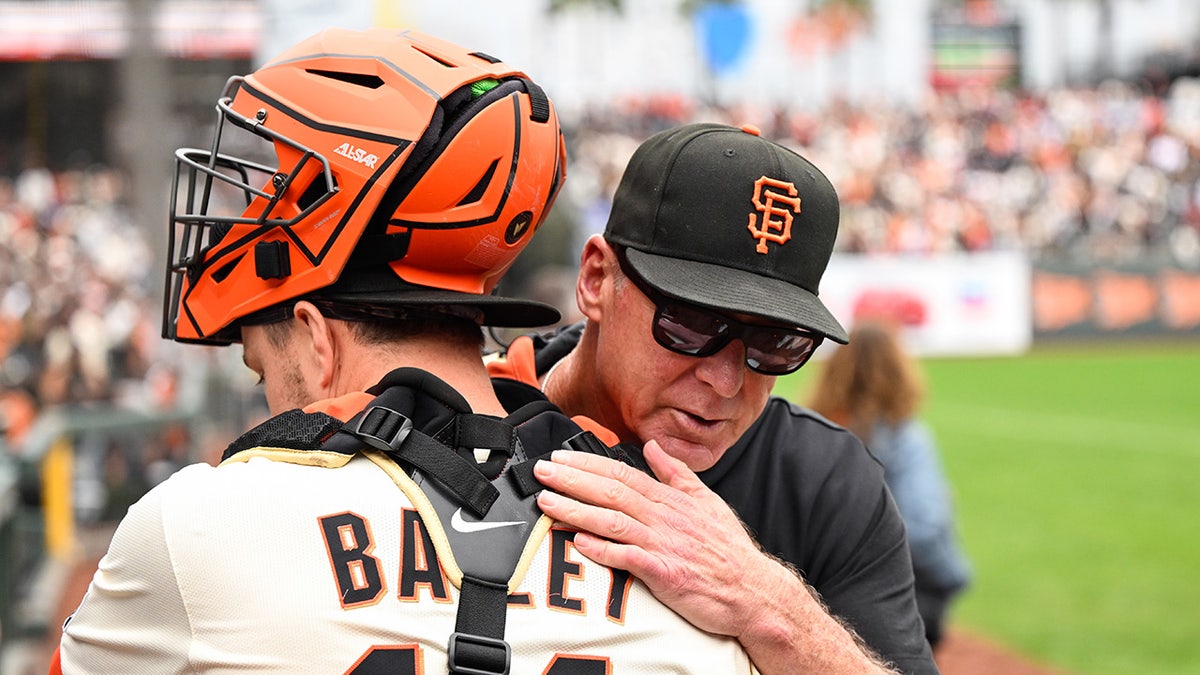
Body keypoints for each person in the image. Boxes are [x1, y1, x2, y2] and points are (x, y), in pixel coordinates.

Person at [52, 29, 758, 674]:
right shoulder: (688, 575)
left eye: (263, 366)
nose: (269, 393)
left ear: (316, 337)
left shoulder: (192, 528)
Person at [488, 122, 939, 673]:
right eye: (692, 323)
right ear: (596, 279)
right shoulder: (459, 420)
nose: (725, 382)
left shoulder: (823, 481)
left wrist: (767, 603)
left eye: (776, 343)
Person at [807, 318, 972, 652]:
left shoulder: (809, 430)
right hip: (901, 600)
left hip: (821, 595)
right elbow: (924, 531)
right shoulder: (905, 438)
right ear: (898, 367)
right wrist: (952, 575)